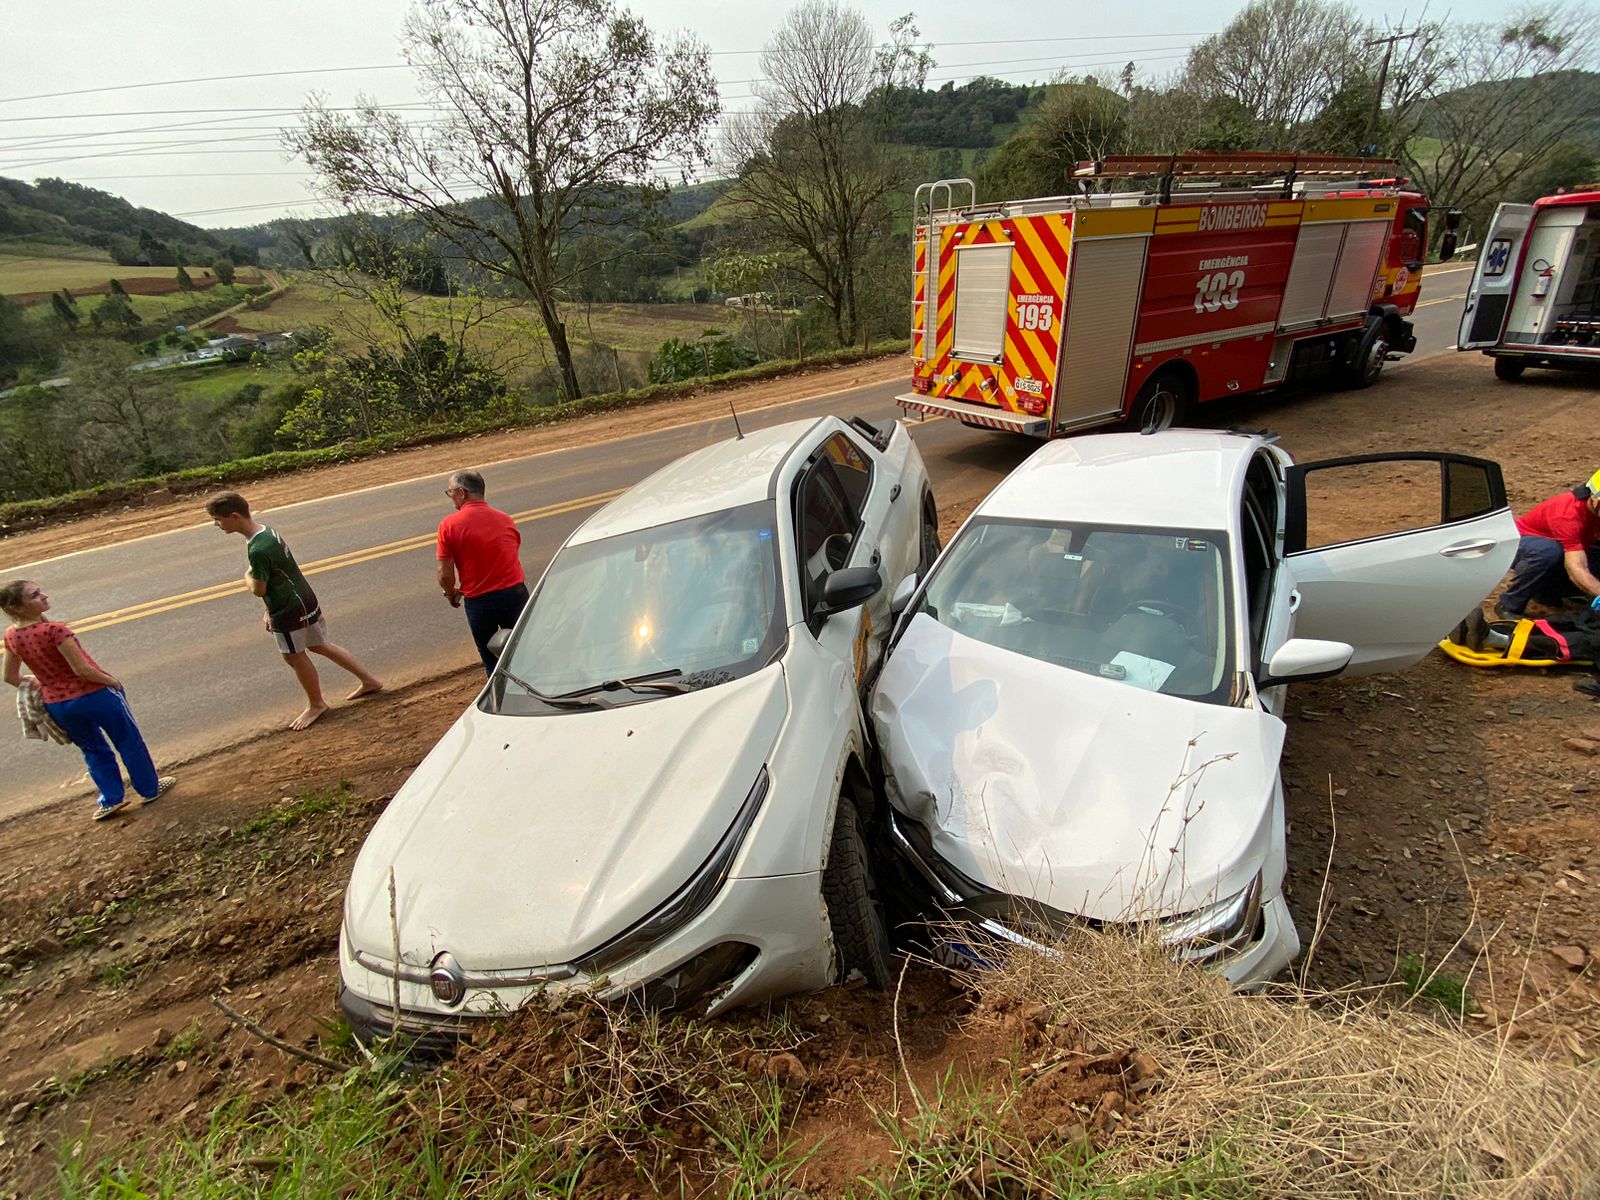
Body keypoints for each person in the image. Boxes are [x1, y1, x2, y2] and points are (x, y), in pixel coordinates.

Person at [205, 491, 383, 730]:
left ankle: (317, 704)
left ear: (235, 516)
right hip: (304, 599)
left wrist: (246, 577)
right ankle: (369, 680)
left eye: (218, 519)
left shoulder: (257, 549)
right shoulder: (267, 532)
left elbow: (258, 588)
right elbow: (279, 573)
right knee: (321, 645)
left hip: (288, 609)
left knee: (294, 656)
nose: (217, 524)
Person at [1, 579, 175, 821]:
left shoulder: (11, 636)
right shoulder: (56, 631)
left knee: (92, 749)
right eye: (35, 595)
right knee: (128, 740)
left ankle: (111, 799)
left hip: (58, 704)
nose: (43, 596)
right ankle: (149, 789)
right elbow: (82, 669)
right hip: (93, 695)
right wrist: (110, 681)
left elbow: (9, 676)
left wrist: (39, 682)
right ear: (17, 607)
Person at [436, 469, 527, 673]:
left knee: (491, 658)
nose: (450, 497)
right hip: (515, 594)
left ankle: (499, 697)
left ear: (462, 492)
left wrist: (451, 593)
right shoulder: (505, 519)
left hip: (480, 601)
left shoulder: (449, 525)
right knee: (523, 650)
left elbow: (445, 574)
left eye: (450, 492)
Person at [1495, 470, 1600, 619]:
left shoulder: (1595, 511)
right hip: (1523, 545)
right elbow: (1576, 569)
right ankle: (1509, 603)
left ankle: (1546, 593)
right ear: (1594, 498)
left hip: (1563, 547)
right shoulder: (1568, 515)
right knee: (1548, 552)